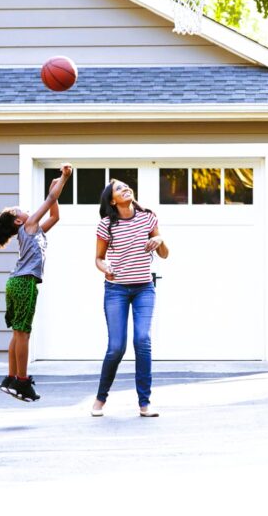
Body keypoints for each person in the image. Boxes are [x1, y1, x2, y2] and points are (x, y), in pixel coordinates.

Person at [0, 163, 72, 402]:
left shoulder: (35, 230)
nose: (22, 210)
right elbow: (51, 198)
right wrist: (63, 179)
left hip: (15, 282)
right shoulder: (30, 225)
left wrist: (55, 189)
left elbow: (55, 215)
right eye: (18, 210)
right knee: (23, 334)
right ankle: (21, 381)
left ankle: (11, 377)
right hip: (23, 283)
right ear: (20, 222)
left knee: (17, 332)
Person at [91, 179, 169, 418]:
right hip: (116, 290)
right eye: (118, 188)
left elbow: (164, 255)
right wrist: (105, 268)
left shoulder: (148, 217)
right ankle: (100, 398)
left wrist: (160, 240)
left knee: (142, 340)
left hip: (144, 288)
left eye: (126, 186)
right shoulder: (106, 225)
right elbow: (98, 258)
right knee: (116, 347)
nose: (125, 188)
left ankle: (145, 403)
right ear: (112, 200)